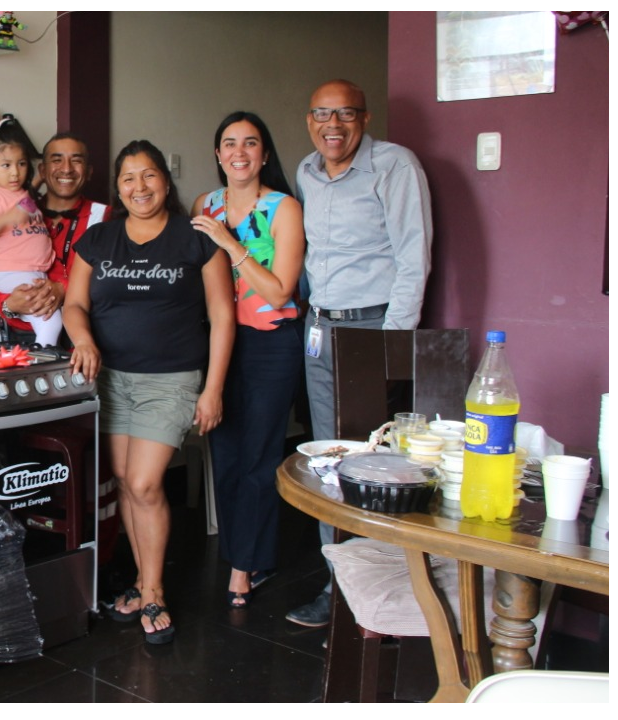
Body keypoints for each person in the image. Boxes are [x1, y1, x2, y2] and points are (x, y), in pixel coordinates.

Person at [63, 140, 235, 644]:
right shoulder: (98, 239)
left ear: (165, 180)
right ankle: (142, 582)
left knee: (143, 482)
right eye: (128, 178)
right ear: (118, 189)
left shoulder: (196, 238)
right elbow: (74, 305)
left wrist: (213, 389)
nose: (140, 187)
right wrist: (83, 340)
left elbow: (223, 317)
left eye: (149, 175)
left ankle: (155, 590)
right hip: (109, 379)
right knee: (123, 480)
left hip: (172, 378)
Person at [286, 79, 433, 628]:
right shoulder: (306, 171)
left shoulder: (395, 166)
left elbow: (414, 257)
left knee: (375, 460)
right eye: (322, 114)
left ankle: (383, 591)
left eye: (346, 114)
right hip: (320, 328)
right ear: (309, 121)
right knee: (328, 456)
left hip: (373, 326)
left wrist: (392, 344)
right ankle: (338, 585)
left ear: (365, 119)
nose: (334, 125)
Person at [190, 112, 304, 609]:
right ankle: (241, 551)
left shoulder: (284, 208)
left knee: (259, 455)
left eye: (250, 143)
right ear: (218, 154)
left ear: (265, 153)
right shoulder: (205, 204)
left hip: (270, 344)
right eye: (230, 143)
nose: (240, 152)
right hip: (219, 342)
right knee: (227, 453)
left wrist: (230, 243)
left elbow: (279, 292)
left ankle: (246, 565)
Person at [0, 132, 110, 345]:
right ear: (42, 170)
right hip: (21, 340)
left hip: (85, 343)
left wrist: (63, 288)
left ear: (89, 171)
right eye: (57, 160)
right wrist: (8, 304)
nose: (66, 169)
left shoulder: (104, 217)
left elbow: (114, 280)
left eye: (76, 160)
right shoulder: (13, 211)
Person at [0, 118, 61, 346]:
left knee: (49, 321)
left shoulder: (21, 194)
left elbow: (27, 199)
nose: (15, 173)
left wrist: (40, 179)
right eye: (6, 165)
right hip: (13, 271)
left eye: (21, 164)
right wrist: (6, 218)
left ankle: (40, 358)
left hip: (32, 272)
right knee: (51, 323)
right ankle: (42, 362)